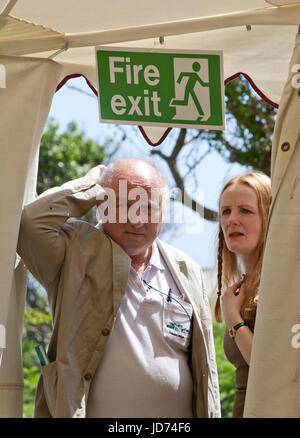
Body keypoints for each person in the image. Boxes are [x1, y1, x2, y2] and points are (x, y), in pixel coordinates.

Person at [17, 158, 220, 418]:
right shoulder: (74, 250)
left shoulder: (185, 268)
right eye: (124, 204)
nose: (137, 219)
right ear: (102, 206)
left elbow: (207, 367)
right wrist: (88, 186)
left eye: (148, 207)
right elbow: (30, 224)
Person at [214, 171, 271, 418]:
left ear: (269, 217)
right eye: (226, 211)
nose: (231, 220)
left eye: (245, 211)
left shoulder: (283, 284)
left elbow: (267, 368)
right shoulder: (239, 291)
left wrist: (234, 319)